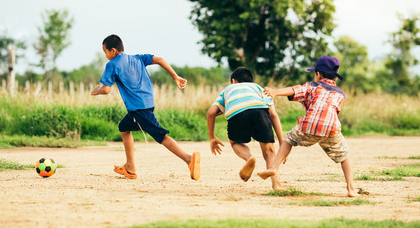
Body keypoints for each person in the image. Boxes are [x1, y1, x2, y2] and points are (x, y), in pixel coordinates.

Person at [90, 34, 200, 180]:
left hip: (138, 109)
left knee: (161, 136)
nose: (105, 56)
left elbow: (106, 89)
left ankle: (188, 159)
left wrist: (97, 91)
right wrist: (175, 76)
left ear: (114, 50)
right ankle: (130, 167)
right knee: (124, 127)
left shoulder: (112, 64)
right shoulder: (137, 58)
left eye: (105, 52)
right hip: (147, 104)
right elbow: (160, 60)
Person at [257, 56, 357, 197]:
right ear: (335, 78)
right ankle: (351, 189)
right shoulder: (340, 94)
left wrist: (275, 92)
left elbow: (295, 90)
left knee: (289, 139)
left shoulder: (312, 86)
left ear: (318, 74)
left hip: (309, 126)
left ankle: (273, 167)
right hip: (331, 128)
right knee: (345, 155)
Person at [207, 67, 284, 190]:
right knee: (269, 151)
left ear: (234, 81)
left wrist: (212, 137)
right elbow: (273, 115)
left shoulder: (228, 89)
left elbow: (211, 113)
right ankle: (276, 183)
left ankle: (249, 158)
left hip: (237, 114)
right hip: (260, 112)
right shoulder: (258, 88)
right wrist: (282, 142)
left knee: (235, 142)